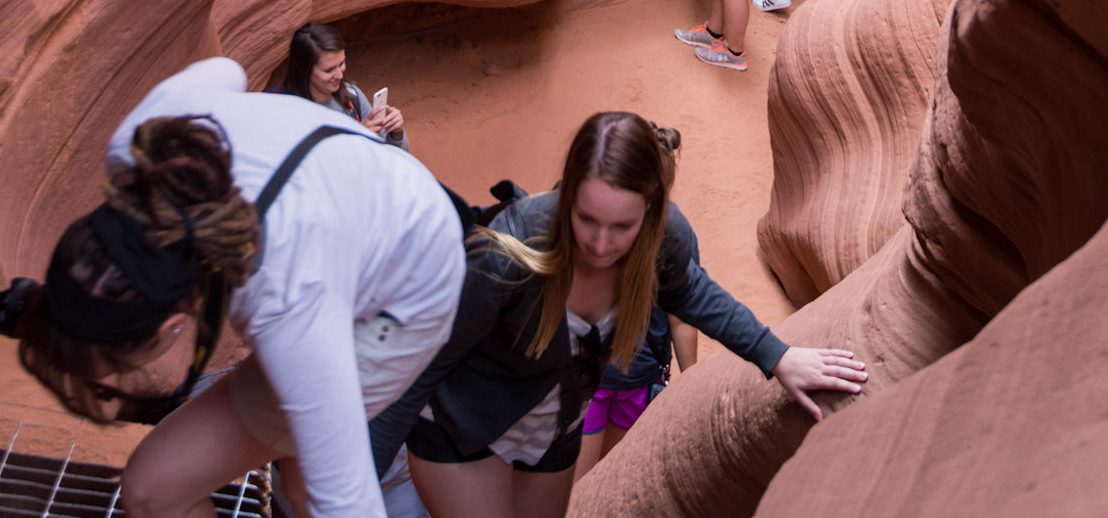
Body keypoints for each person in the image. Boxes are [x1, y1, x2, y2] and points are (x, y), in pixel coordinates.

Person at [0, 56, 465, 518]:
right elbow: (226, 71)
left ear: (174, 326)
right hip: (364, 193)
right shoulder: (137, 146)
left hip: (411, 287)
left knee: (164, 489)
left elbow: (347, 502)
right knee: (292, 468)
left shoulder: (286, 302)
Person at [369, 112, 867, 517]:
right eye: (586, 219)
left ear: (650, 211)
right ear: (567, 195)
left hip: (553, 430)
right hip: (464, 430)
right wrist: (355, 485)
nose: (602, 245)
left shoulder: (663, 236)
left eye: (622, 227)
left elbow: (691, 293)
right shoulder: (508, 256)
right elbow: (419, 367)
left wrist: (777, 356)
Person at [572, 126, 698, 486]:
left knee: (607, 479)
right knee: (578, 486)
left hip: (638, 380)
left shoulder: (675, 233)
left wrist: (692, 383)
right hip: (590, 378)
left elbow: (681, 315)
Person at [275, 22, 408, 147]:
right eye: (329, 70)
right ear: (304, 70)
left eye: (341, 64)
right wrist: (356, 137)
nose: (340, 75)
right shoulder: (285, 115)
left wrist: (396, 134)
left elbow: (391, 156)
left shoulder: (352, 95)